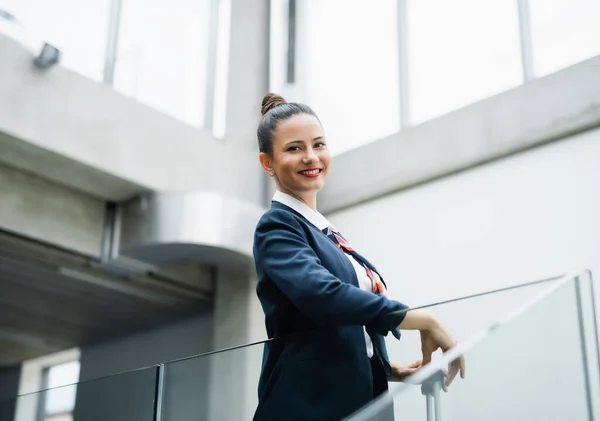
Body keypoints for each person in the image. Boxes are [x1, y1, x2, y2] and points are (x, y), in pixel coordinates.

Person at [252, 93, 465, 421]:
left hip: (359, 401)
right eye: (294, 148)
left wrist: (382, 366)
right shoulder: (277, 226)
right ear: (268, 163)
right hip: (308, 407)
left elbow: (337, 329)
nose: (311, 157)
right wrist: (421, 319)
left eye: (319, 144)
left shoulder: (328, 236)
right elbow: (324, 297)